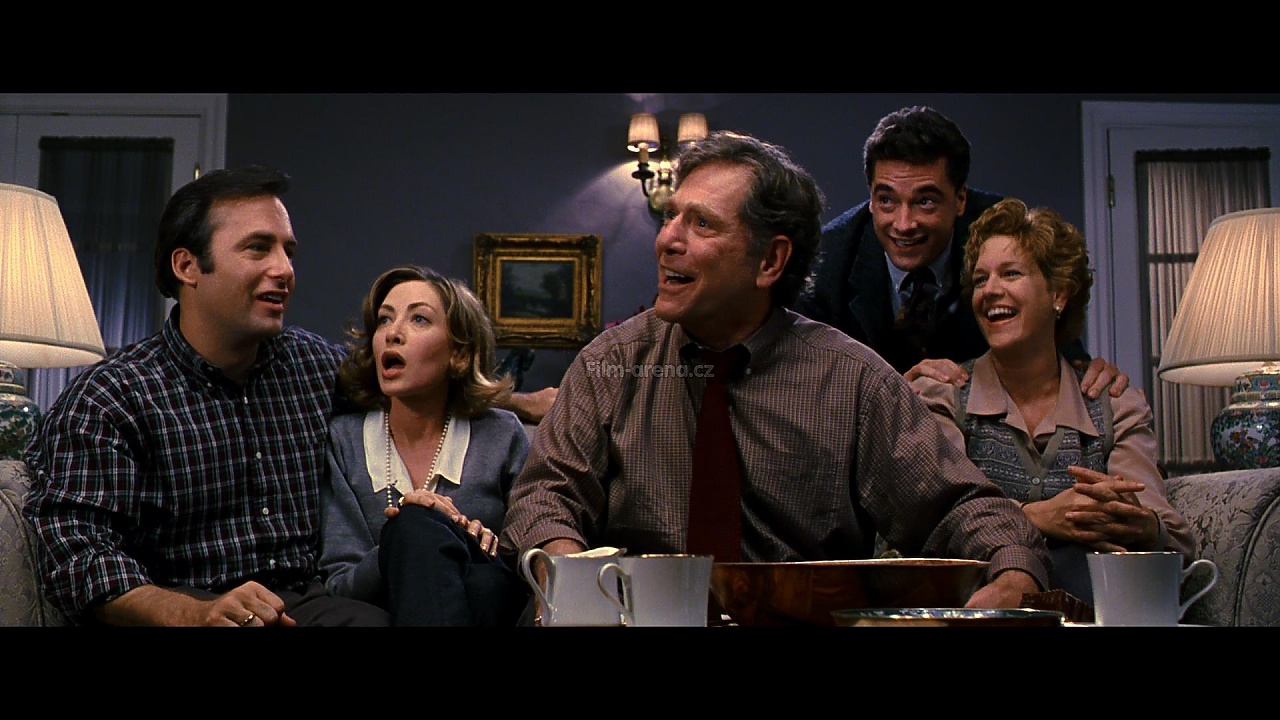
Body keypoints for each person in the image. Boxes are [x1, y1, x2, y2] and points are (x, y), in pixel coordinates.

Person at [500, 130, 1053, 609]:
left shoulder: (852, 381)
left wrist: (1014, 574)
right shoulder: (610, 365)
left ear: (769, 261)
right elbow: (545, 497)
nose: (667, 240)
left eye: (701, 224)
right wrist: (573, 580)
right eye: (671, 217)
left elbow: (958, 507)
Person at [22, 165, 389, 626]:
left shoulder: (317, 367)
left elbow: (418, 408)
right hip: (182, 604)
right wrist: (196, 613)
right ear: (187, 266)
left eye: (288, 251)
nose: (284, 269)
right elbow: (78, 554)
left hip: (306, 600)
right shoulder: (111, 398)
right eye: (258, 248)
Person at [910, 198, 1194, 603]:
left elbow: (1174, 538)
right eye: (981, 279)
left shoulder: (1115, 405)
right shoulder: (943, 397)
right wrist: (1038, 516)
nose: (990, 290)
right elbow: (936, 522)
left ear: (1058, 293)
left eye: (1011, 273)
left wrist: (1139, 523)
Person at [795, 105, 1127, 399]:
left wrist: (1083, 373)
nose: (904, 224)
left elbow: (1047, 325)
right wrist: (892, 395)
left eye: (925, 201)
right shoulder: (825, 263)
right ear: (870, 198)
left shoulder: (1001, 233)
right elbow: (806, 389)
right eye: (886, 200)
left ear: (960, 199)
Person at [319, 264, 531, 626]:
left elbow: (529, 559)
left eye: (419, 319)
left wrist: (479, 542)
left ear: (458, 355)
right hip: (387, 610)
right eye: (384, 320)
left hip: (493, 600)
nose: (393, 333)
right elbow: (341, 583)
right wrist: (405, 536)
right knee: (415, 522)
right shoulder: (345, 440)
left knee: (483, 582)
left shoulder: (502, 434)